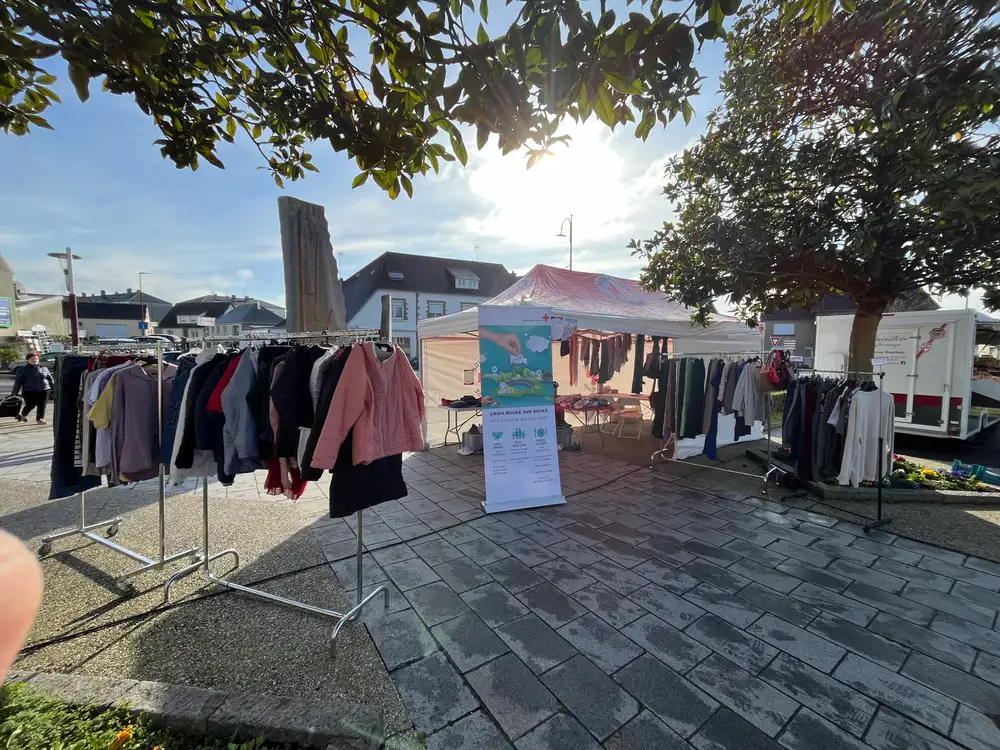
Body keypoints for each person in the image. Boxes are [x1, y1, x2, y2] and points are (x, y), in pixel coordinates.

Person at [11, 352, 54, 424]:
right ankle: (24, 414)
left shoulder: (44, 368)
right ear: (28, 360)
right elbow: (18, 382)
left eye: (36, 359)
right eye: (32, 359)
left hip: (44, 390)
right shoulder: (22, 369)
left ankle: (40, 419)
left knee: (42, 405)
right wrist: (14, 393)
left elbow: (50, 378)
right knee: (30, 405)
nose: (35, 360)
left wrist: (54, 388)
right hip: (29, 391)